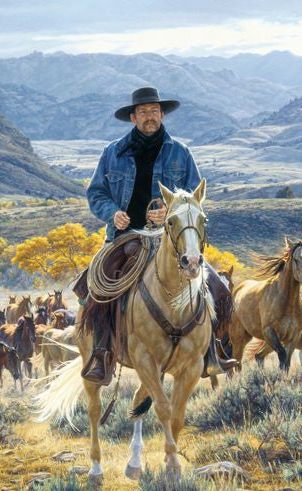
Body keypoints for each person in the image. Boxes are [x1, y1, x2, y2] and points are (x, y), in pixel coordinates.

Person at [80, 86, 237, 383]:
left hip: (169, 240)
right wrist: (113, 212)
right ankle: (101, 353)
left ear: (162, 114)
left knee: (219, 289)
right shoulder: (112, 153)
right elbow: (96, 192)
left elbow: (194, 195)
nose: (149, 117)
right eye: (143, 112)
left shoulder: (181, 152)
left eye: (154, 111)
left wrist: (171, 212)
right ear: (132, 117)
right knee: (96, 292)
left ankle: (212, 349)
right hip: (124, 238)